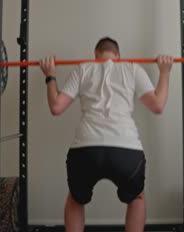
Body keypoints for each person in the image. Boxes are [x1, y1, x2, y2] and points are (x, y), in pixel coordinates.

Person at [39, 37, 173, 232]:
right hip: (126, 151)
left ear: (96, 55)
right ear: (118, 56)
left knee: (76, 199)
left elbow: (56, 107)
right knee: (136, 198)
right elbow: (157, 105)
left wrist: (50, 76)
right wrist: (164, 72)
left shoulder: (83, 68)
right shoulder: (132, 68)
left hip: (85, 150)